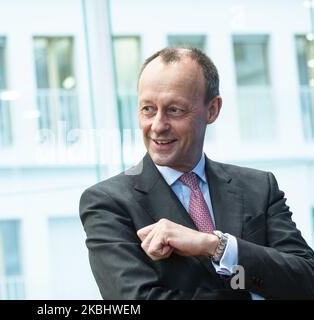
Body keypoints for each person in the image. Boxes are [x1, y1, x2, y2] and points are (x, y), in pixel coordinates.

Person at [79, 47, 314, 299]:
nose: (157, 126)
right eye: (148, 109)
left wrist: (216, 246)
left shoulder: (259, 187)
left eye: (174, 110)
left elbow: (306, 280)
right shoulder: (107, 203)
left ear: (212, 110)